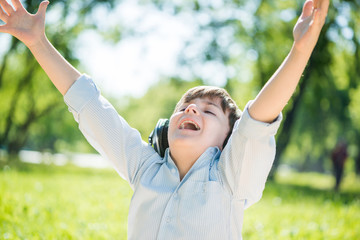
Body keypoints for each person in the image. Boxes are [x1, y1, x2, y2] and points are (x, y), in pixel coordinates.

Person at [0, 0, 329, 239]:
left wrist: (299, 52)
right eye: (185, 105)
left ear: (230, 142)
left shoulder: (231, 179)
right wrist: (37, 42)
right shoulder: (145, 167)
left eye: (208, 110)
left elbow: (257, 121)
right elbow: (91, 106)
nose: (191, 109)